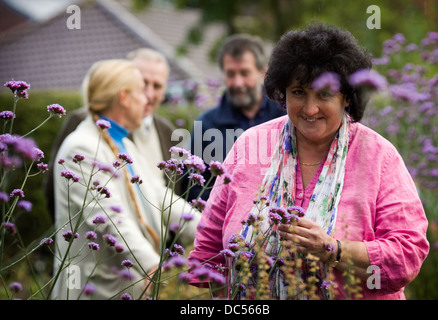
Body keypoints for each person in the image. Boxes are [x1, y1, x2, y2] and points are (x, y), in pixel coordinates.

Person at [188, 23, 429, 299]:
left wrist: (334, 249)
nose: (310, 109)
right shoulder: (250, 145)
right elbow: (208, 248)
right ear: (283, 92)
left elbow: (407, 255)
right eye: (299, 92)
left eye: (324, 94)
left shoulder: (378, 156)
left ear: (347, 96)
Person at [52, 59, 200, 299]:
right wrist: (152, 265)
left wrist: (211, 231)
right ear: (124, 97)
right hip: (96, 290)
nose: (148, 99)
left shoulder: (125, 144)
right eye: (142, 90)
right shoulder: (81, 147)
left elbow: (161, 197)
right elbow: (110, 218)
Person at [44, 48, 180, 221]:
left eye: (157, 86)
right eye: (143, 84)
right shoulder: (85, 124)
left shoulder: (167, 131)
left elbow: (168, 192)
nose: (149, 94)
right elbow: (58, 189)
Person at [184, 34, 286, 201]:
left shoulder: (285, 115)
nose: (238, 83)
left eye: (244, 73)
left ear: (262, 73)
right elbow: (194, 190)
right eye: (231, 74)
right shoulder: (206, 126)